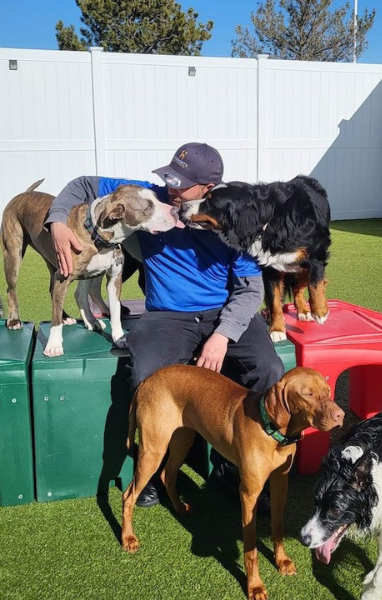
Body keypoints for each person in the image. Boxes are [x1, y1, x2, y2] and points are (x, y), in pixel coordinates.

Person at [45, 142, 284, 509]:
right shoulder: (148, 197)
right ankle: (151, 470)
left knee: (268, 370)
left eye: (182, 185)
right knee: (146, 372)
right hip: (167, 315)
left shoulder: (238, 219)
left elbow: (250, 290)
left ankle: (237, 467)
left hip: (224, 314)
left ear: (207, 188)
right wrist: (58, 221)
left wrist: (223, 335)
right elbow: (81, 185)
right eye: (170, 179)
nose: (171, 191)